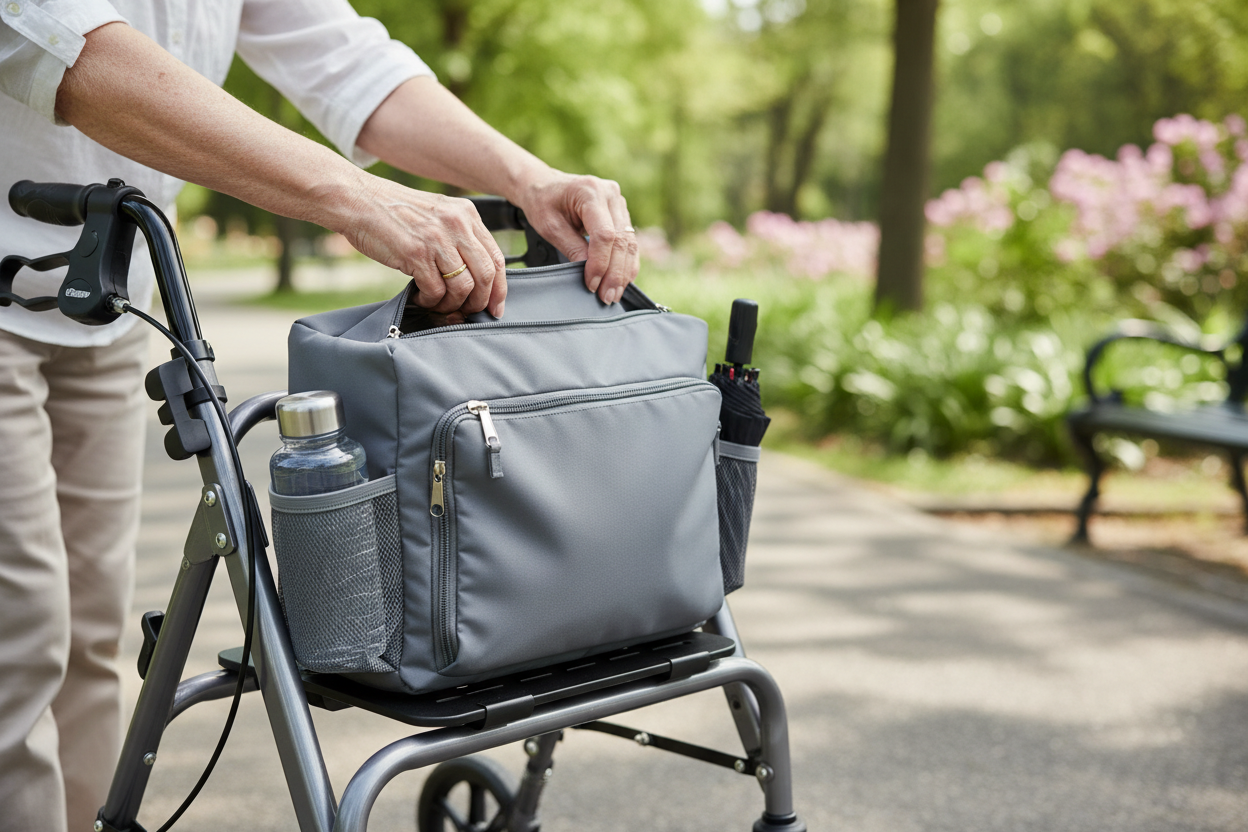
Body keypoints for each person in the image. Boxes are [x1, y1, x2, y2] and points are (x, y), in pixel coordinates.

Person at [0, 1, 640, 829]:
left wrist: (528, 178)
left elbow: (344, 59)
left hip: (105, 298)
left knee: (87, 641)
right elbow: (56, 43)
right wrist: (357, 199)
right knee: (20, 646)